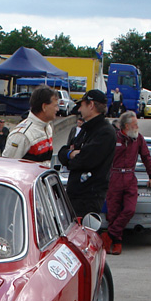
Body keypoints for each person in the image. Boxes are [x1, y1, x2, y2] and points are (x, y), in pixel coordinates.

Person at [102, 111, 151, 255]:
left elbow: (146, 157)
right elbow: (104, 157)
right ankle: (117, 243)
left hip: (130, 177)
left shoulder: (139, 139)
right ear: (126, 126)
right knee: (113, 212)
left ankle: (108, 236)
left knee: (130, 209)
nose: (137, 126)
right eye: (135, 124)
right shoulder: (114, 138)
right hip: (115, 177)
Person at [57, 89, 117, 217]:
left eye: (82, 105)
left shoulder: (105, 132)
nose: (79, 110)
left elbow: (84, 161)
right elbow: (62, 152)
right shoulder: (86, 129)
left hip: (89, 197)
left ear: (91, 105)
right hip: (75, 194)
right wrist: (70, 154)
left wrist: (73, 158)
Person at [2, 86, 59, 164]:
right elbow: (7, 166)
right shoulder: (22, 135)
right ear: (44, 107)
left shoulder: (48, 127)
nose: (57, 109)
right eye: (55, 106)